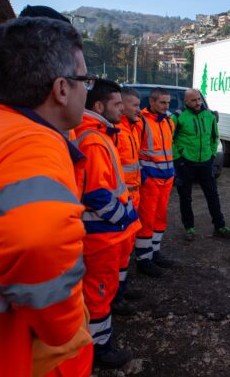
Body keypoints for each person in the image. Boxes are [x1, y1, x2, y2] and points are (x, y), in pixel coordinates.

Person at [0, 17, 93, 375]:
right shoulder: (33, 143)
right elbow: (36, 240)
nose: (87, 91)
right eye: (85, 80)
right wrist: (63, 327)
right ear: (62, 89)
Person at [73, 79, 138, 368]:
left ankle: (98, 345)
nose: (121, 108)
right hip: (102, 236)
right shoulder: (94, 139)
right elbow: (97, 194)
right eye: (116, 103)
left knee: (101, 291)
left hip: (105, 234)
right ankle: (100, 351)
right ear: (99, 106)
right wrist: (123, 217)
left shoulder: (99, 134)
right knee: (98, 294)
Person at [172, 89, 230, 241]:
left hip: (205, 162)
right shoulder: (178, 117)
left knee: (212, 195)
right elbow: (170, 140)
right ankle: (189, 228)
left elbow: (215, 137)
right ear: (186, 101)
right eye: (193, 100)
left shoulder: (209, 116)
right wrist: (178, 159)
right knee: (185, 197)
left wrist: (212, 155)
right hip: (185, 163)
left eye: (199, 99)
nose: (198, 102)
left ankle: (220, 226)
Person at [135, 87, 176, 277]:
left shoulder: (168, 121)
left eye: (168, 102)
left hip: (166, 178)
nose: (166, 106)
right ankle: (143, 259)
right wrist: (142, 175)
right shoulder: (140, 122)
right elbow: (132, 151)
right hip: (150, 179)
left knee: (160, 217)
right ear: (152, 102)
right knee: (147, 219)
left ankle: (155, 252)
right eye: (162, 102)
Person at [112, 87, 145, 311]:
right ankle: (114, 297)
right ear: (122, 106)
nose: (139, 110)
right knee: (118, 250)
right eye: (135, 105)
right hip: (122, 198)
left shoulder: (132, 129)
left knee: (127, 248)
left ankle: (120, 290)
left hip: (134, 195)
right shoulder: (115, 132)